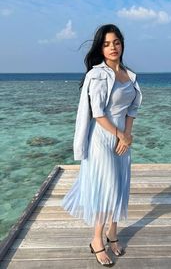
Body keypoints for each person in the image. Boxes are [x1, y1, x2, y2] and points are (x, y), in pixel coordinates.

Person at [61, 24, 142, 266]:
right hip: (102, 138)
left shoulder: (129, 75)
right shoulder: (97, 74)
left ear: (122, 44)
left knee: (119, 186)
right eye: (106, 44)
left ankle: (112, 234)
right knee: (107, 188)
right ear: (100, 47)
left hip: (121, 137)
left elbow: (132, 108)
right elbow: (98, 114)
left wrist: (127, 134)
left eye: (116, 42)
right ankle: (97, 240)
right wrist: (119, 134)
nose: (112, 47)